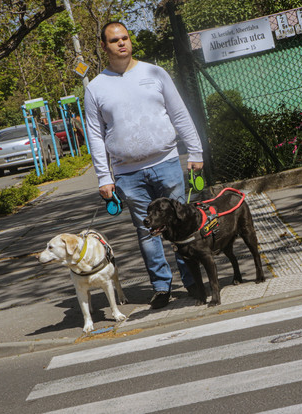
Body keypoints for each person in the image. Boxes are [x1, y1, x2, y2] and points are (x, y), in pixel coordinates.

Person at [84, 21, 204, 309]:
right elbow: (95, 136)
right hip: (127, 174)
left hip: (167, 162)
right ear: (104, 46)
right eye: (114, 40)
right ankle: (161, 287)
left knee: (182, 224)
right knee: (147, 231)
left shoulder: (154, 72)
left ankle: (193, 282)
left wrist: (196, 152)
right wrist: (104, 177)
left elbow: (179, 113)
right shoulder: (96, 88)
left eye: (125, 38)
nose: (122, 43)